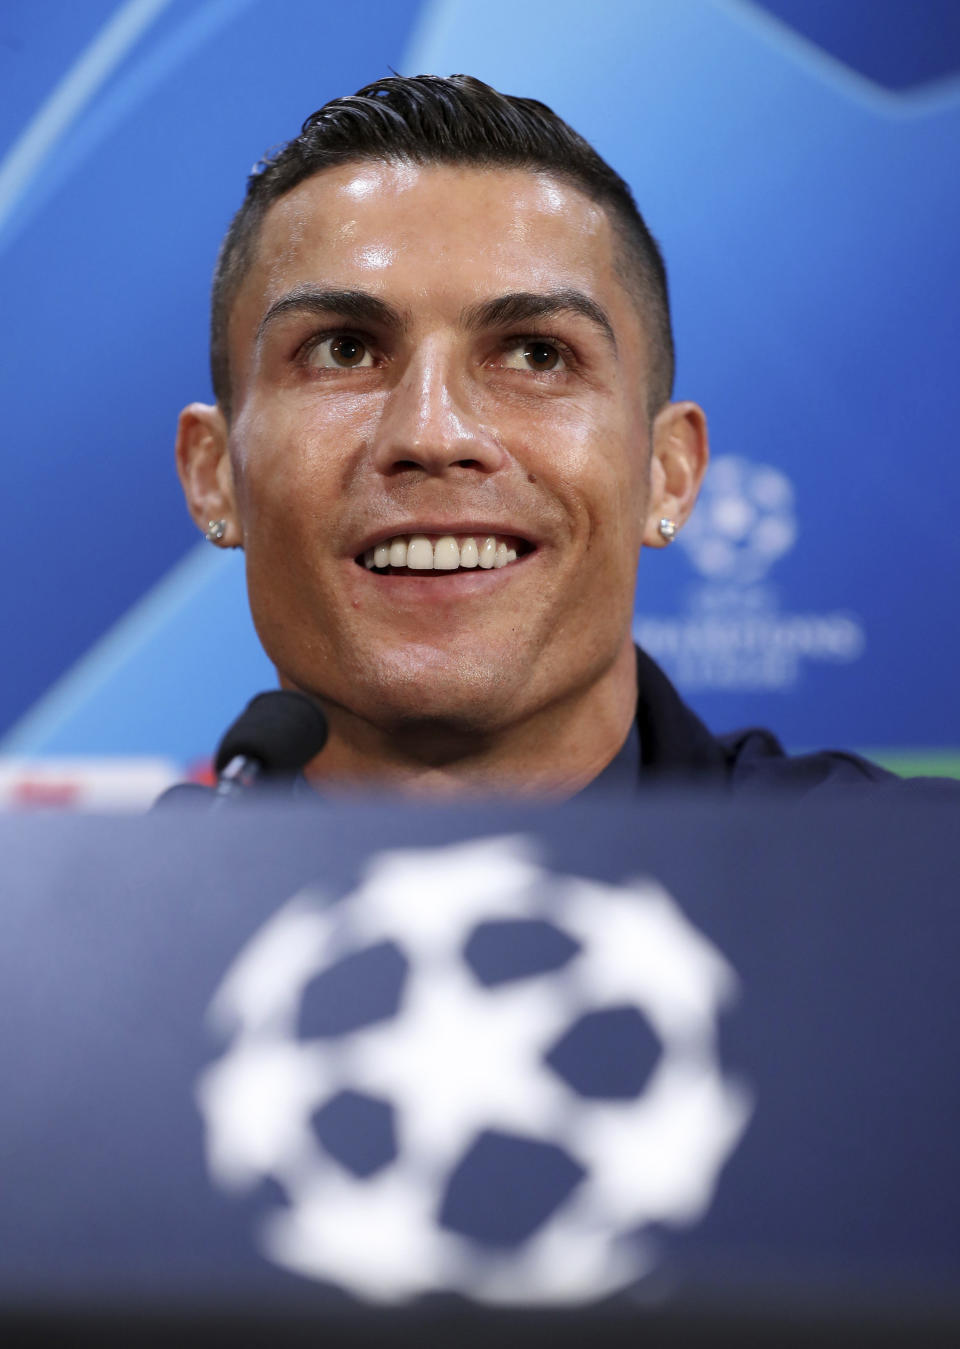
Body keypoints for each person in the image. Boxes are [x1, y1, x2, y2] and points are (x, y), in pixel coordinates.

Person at [174, 74, 901, 799]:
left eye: (536, 354)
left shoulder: (914, 887)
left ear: (668, 472)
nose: (432, 432)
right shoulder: (90, 913)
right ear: (213, 474)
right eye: (344, 351)